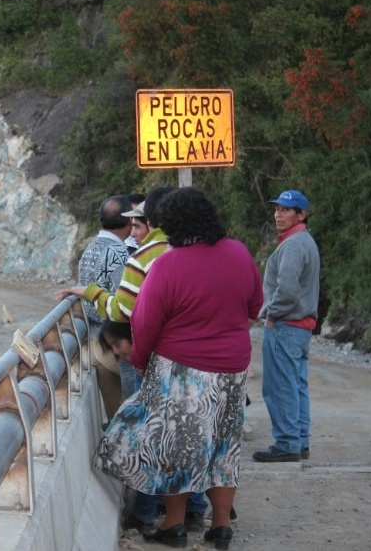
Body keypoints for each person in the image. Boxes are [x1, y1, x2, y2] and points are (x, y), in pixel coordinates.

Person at [93, 188, 263, 549]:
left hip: (183, 370)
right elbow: (254, 306)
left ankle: (174, 525)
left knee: (177, 448)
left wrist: (141, 363)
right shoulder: (239, 252)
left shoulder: (169, 263)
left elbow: (145, 323)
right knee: (223, 444)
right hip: (232, 369)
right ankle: (220, 526)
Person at [253, 189, 320, 463]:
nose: (279, 214)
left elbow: (288, 290)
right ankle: (298, 440)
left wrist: (269, 313)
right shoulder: (304, 241)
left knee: (280, 386)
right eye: (277, 209)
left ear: (301, 214)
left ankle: (288, 442)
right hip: (299, 326)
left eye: (286, 210)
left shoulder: (293, 245)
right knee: (296, 385)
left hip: (286, 324)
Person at [71, 195, 133, 418]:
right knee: (131, 412)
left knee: (114, 413)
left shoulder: (91, 248)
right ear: (128, 222)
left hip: (95, 341)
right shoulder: (118, 252)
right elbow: (123, 306)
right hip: (117, 346)